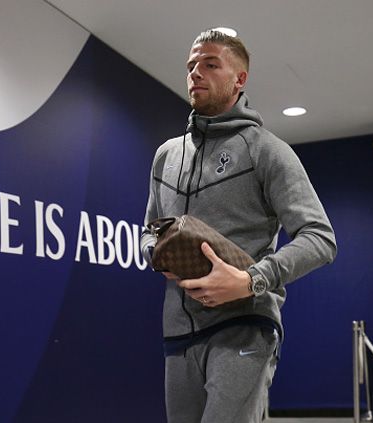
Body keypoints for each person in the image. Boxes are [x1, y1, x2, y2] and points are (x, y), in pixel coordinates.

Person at [140, 29, 337, 423]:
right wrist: (157, 252)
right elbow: (149, 230)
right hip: (178, 333)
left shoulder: (267, 150)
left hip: (245, 324)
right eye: (192, 66)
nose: (196, 73)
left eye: (211, 64)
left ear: (239, 79)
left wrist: (250, 281)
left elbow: (320, 239)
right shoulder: (166, 156)